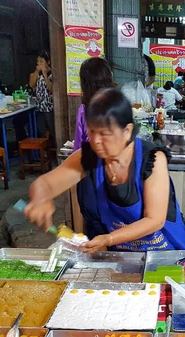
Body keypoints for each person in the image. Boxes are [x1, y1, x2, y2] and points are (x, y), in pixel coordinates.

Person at [24, 87, 185, 252]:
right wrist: (40, 199)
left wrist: (109, 239)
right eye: (92, 131)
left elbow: (155, 220)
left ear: (127, 131)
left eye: (105, 134)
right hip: (123, 254)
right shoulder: (90, 157)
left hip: (164, 250)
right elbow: (45, 183)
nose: (96, 141)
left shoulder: (152, 159)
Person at [74, 57, 116, 239]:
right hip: (114, 176)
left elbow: (78, 150)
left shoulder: (85, 110)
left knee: (96, 230)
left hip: (92, 177)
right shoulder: (118, 105)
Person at [29, 51, 54, 138]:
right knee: (41, 131)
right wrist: (37, 71)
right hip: (39, 107)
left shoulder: (52, 74)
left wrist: (45, 75)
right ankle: (45, 150)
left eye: (42, 61)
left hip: (49, 107)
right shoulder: (35, 74)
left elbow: (51, 89)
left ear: (48, 62)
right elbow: (32, 84)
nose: (39, 63)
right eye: (38, 61)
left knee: (52, 130)